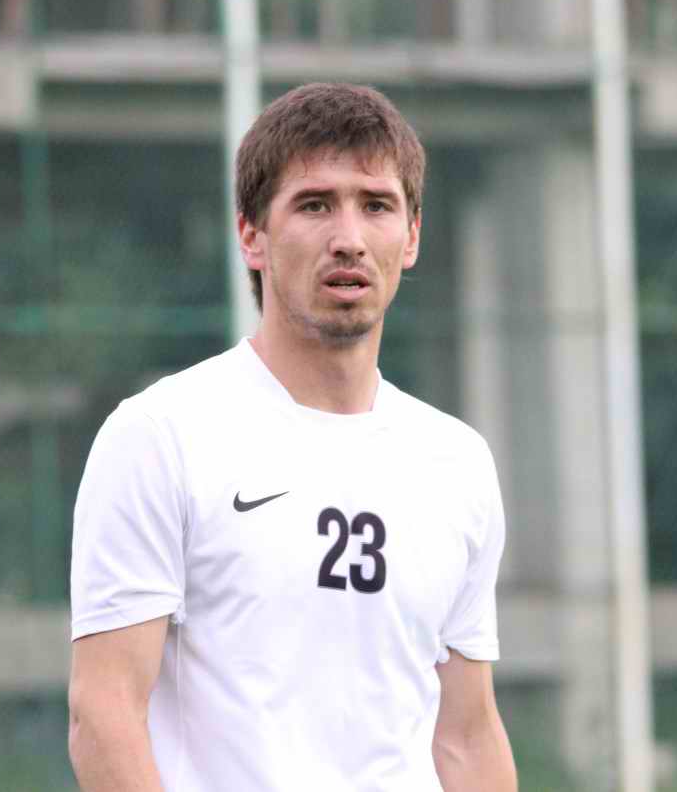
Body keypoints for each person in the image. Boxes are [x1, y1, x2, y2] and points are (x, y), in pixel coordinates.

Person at [68, 82, 517, 791]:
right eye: (314, 205)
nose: (348, 238)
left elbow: (464, 734)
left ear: (411, 237)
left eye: (376, 205)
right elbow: (104, 713)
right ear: (251, 234)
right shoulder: (160, 436)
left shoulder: (456, 461)